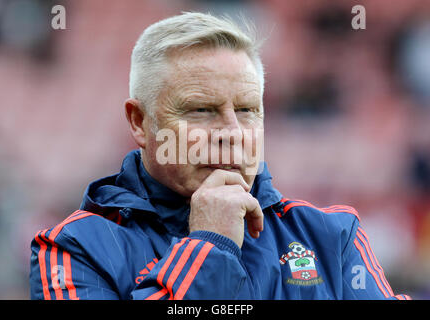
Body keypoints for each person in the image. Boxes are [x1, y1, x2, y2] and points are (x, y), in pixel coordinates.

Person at [29, 12, 410, 300]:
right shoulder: (71, 249)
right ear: (140, 122)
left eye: (246, 110)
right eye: (201, 110)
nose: (231, 132)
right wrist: (210, 246)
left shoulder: (332, 235)